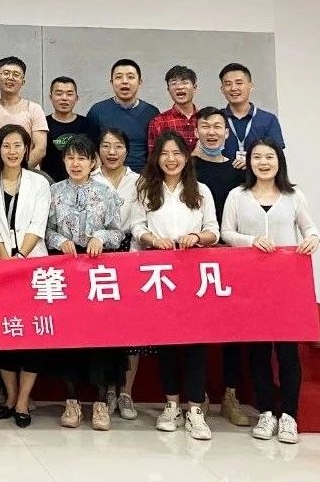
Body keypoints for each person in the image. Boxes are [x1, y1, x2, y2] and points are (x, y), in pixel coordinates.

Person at [221, 139, 320, 445]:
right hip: (251, 284)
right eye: (257, 157)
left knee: (288, 353)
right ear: (249, 162)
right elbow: (226, 232)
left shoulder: (294, 196)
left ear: (279, 161)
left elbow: (311, 229)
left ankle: (289, 415)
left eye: (269, 157)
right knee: (259, 351)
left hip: (286, 285)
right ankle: (266, 411)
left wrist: (313, 239)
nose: (263, 163)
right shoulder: (237, 195)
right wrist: (250, 241)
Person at [128, 130, 219, 441]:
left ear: (186, 157)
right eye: (165, 153)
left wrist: (197, 237)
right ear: (156, 157)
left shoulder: (201, 191)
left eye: (177, 153)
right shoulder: (145, 189)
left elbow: (213, 231)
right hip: (160, 275)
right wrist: (152, 239)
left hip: (193, 277)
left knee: (195, 343)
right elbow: (136, 226)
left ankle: (195, 410)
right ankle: (170, 405)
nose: (171, 159)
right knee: (166, 342)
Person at [45, 134, 126, 431]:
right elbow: (44, 231)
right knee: (69, 338)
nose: (75, 163)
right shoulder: (53, 192)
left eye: (82, 158)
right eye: (70, 157)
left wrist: (100, 237)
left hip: (97, 273)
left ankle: (101, 403)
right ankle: (72, 400)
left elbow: (118, 232)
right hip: (65, 272)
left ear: (93, 162)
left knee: (99, 338)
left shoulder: (106, 193)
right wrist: (59, 240)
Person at [192, 106, 251, 427]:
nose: (212, 132)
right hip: (194, 260)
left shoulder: (238, 171)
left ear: (227, 133)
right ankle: (198, 395)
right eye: (206, 126)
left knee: (233, 329)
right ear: (196, 132)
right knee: (198, 329)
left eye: (218, 127)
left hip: (230, 259)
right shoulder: (185, 167)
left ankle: (230, 395)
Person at [0, 124, 50, 427]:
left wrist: (20, 258)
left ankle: (24, 399)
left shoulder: (39, 182)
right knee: (4, 334)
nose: (12, 152)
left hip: (32, 265)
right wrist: (5, 260)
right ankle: (10, 396)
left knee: (32, 335)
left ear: (26, 149)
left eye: (18, 146)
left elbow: (38, 224)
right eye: (6, 146)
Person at [92, 127, 144, 419]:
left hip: (130, 254)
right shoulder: (90, 178)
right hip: (97, 255)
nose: (112, 152)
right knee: (104, 328)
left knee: (132, 329)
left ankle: (126, 393)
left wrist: (135, 258)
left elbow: (141, 222)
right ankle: (107, 390)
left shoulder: (139, 182)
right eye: (106, 146)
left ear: (127, 150)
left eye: (118, 146)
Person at [86, 59, 160, 172]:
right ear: (111, 82)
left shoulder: (151, 112)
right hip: (106, 177)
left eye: (130, 77)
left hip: (143, 177)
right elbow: (89, 147)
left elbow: (157, 150)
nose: (124, 81)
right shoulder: (97, 111)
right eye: (118, 77)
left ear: (140, 82)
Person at [0, 56, 47, 170]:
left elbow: (40, 148)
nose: (10, 78)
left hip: (28, 175)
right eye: (6, 73)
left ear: (23, 81)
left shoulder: (34, 109)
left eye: (16, 75)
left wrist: (21, 173)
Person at [219, 63, 285, 169]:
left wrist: (252, 162)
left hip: (258, 177)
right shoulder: (216, 119)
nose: (233, 88)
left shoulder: (268, 120)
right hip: (223, 176)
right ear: (222, 89)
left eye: (239, 83)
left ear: (250, 86)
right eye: (228, 84)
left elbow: (276, 156)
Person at [41, 76, 100, 183]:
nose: (64, 98)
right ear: (50, 97)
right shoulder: (42, 124)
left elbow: (96, 157)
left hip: (83, 184)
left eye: (69, 94)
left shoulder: (88, 124)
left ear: (76, 98)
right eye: (59, 94)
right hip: (49, 184)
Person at [147, 64, 199, 152]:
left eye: (184, 82)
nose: (179, 87)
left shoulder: (205, 119)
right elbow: (154, 157)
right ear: (168, 90)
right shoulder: (158, 122)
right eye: (174, 83)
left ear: (194, 88)